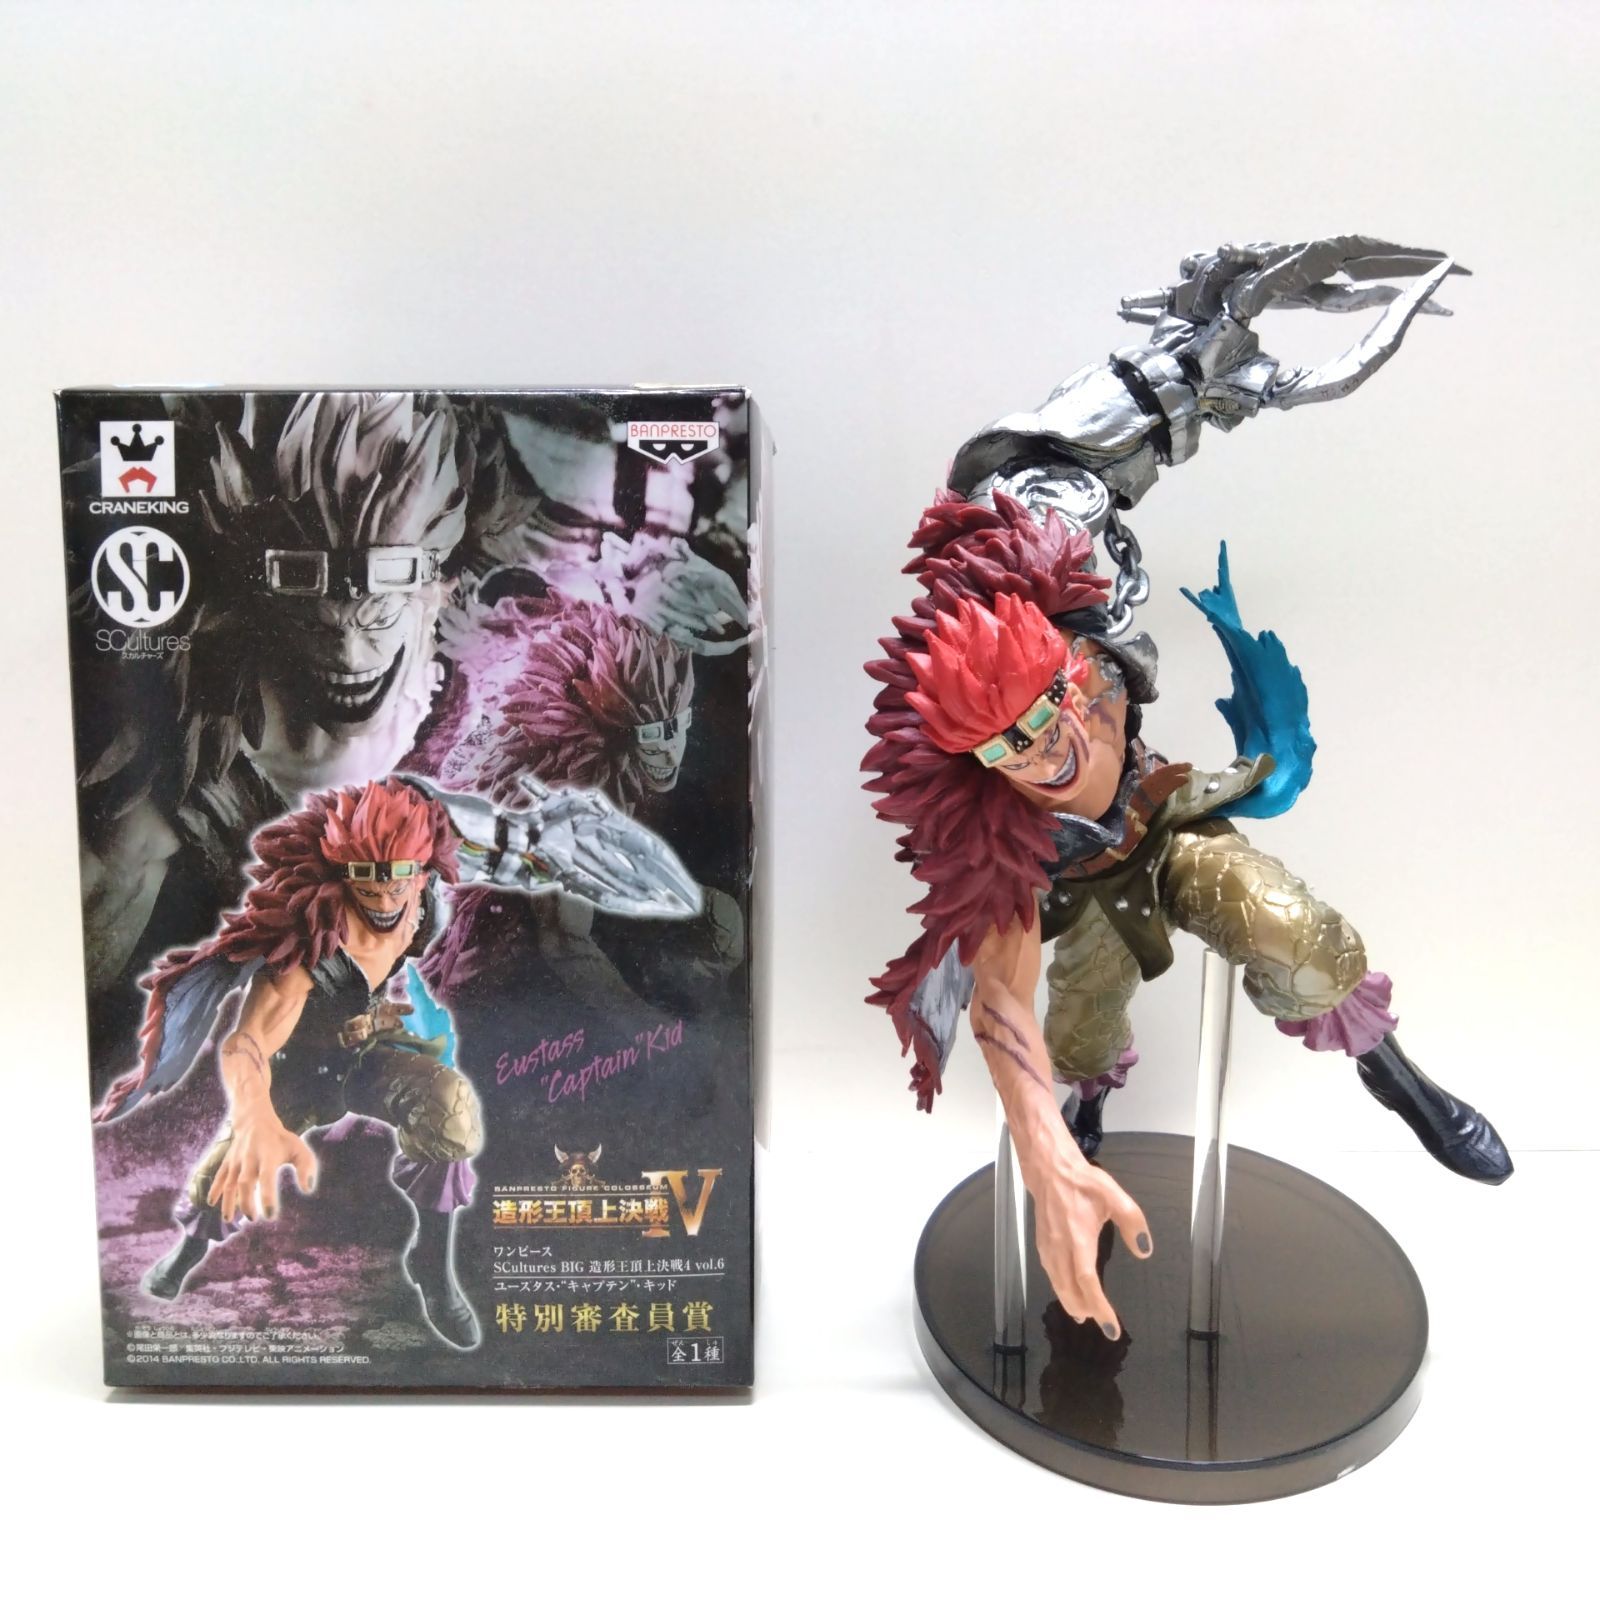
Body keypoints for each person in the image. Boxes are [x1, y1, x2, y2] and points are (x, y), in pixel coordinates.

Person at [864, 493, 1510, 1339]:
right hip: (1080, 888)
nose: (1040, 756)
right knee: (1083, 1032)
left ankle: (1396, 1076)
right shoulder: (995, 827)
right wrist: (1047, 1158)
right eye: (1003, 748)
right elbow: (1000, 997)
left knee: (1297, 933)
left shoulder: (1094, 657)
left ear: (1067, 674)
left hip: (1167, 826)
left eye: (1043, 719)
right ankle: (1086, 1115)